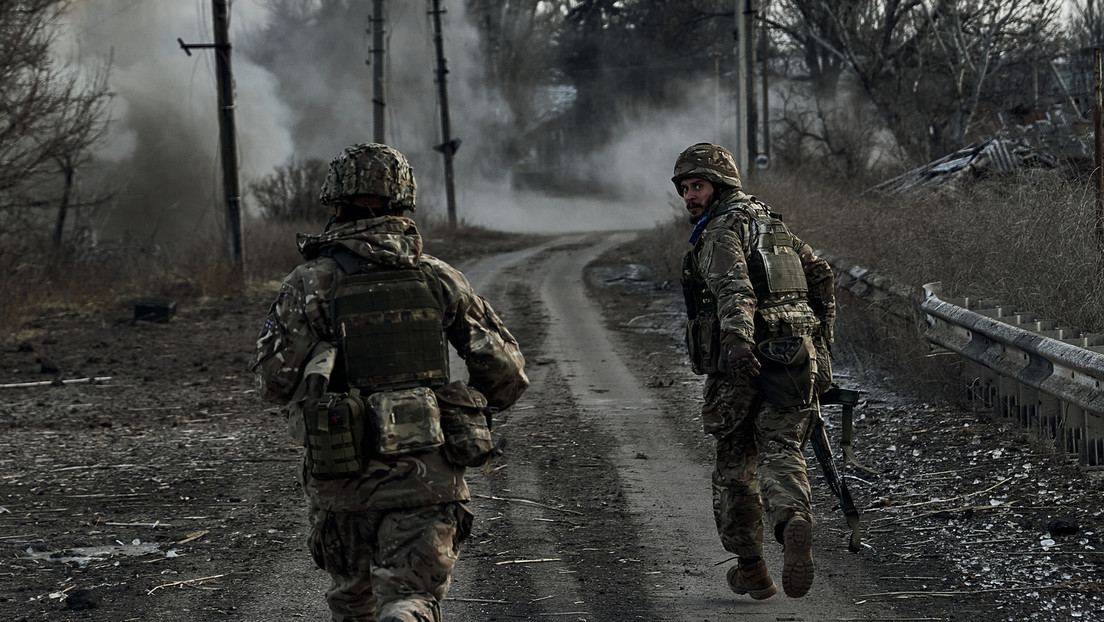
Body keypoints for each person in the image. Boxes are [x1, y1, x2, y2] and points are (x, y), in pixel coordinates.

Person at [249, 142, 529, 622]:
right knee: (410, 598)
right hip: (430, 476)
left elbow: (275, 382)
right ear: (404, 202)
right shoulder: (439, 277)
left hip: (343, 478)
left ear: (336, 203)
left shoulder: (310, 282)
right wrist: (465, 407)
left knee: (354, 602)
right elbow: (506, 372)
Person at [672, 142, 835, 600]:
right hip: (795, 359)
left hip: (742, 365)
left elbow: (734, 287)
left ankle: (751, 566)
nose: (689, 195)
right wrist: (822, 346)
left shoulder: (721, 229)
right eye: (684, 187)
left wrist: (740, 341)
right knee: (783, 448)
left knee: (734, 465)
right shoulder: (771, 223)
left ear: (720, 185)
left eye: (698, 185)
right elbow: (821, 274)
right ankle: (793, 521)